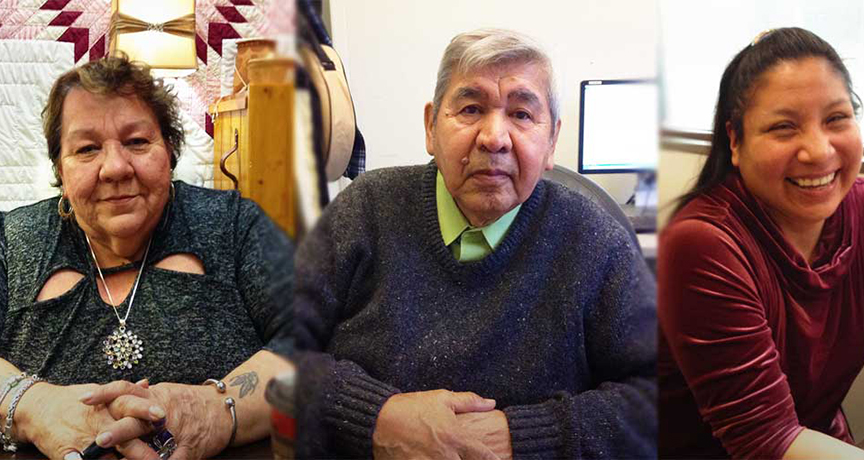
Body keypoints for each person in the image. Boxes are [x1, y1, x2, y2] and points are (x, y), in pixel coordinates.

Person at [293, 28, 657, 459]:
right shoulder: (364, 209)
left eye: (521, 115)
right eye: (471, 108)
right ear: (431, 126)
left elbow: (656, 396)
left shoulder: (595, 240)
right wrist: (376, 416)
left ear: (552, 141)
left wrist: (521, 436)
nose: (494, 138)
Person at [0, 56, 295, 459]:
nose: (116, 167)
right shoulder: (11, 239)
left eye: (137, 142)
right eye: (87, 149)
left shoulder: (232, 224)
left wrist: (217, 410)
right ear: (60, 171)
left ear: (169, 150)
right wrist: (36, 406)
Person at [658, 27, 864, 459]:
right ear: (735, 142)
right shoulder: (701, 245)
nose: (818, 151)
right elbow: (765, 439)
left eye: (836, 118)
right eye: (783, 127)